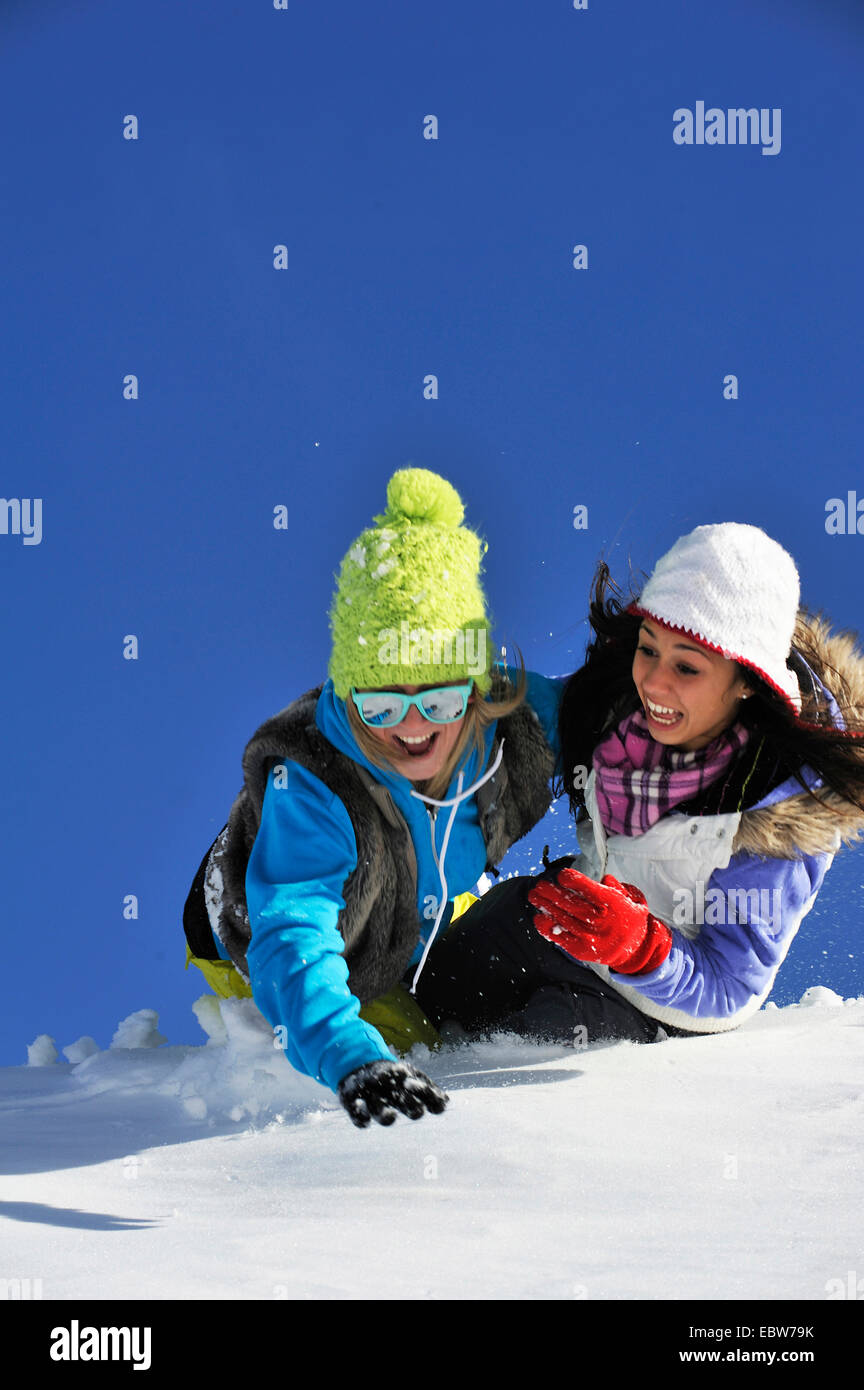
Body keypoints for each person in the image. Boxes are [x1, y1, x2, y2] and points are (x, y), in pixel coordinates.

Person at [182, 467, 562, 1126]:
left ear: (477, 688)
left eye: (438, 700)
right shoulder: (316, 786)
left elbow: (627, 711)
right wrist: (351, 1054)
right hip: (261, 917)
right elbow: (293, 934)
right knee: (417, 1039)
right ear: (352, 698)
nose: (413, 730)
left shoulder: (517, 724)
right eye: (383, 705)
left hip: (412, 889)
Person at [414, 522, 864, 1045]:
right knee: (433, 986)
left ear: (747, 681)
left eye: (687, 668)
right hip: (558, 920)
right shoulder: (617, 703)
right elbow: (524, 714)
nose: (654, 682)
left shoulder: (777, 807)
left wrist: (640, 947)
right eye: (648, 649)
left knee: (513, 1052)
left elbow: (731, 988)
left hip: (647, 1000)